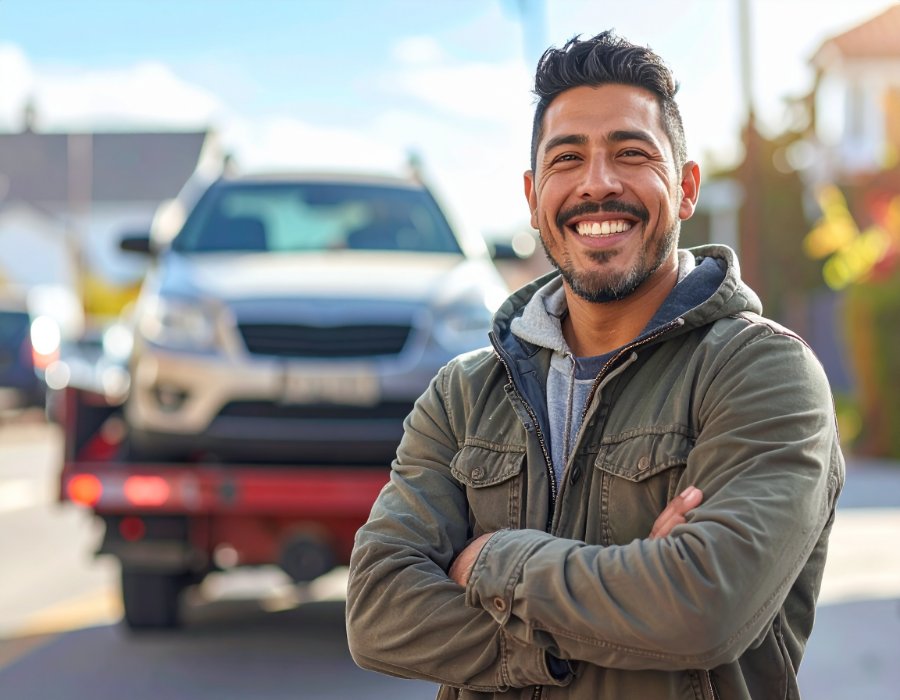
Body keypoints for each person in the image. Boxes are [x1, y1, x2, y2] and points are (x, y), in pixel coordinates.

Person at [346, 30, 844, 699]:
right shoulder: (463, 395)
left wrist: (494, 562)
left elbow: (701, 611)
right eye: (567, 158)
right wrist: (621, 601)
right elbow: (377, 611)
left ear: (686, 185)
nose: (598, 184)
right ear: (532, 195)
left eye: (631, 153)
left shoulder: (762, 373)